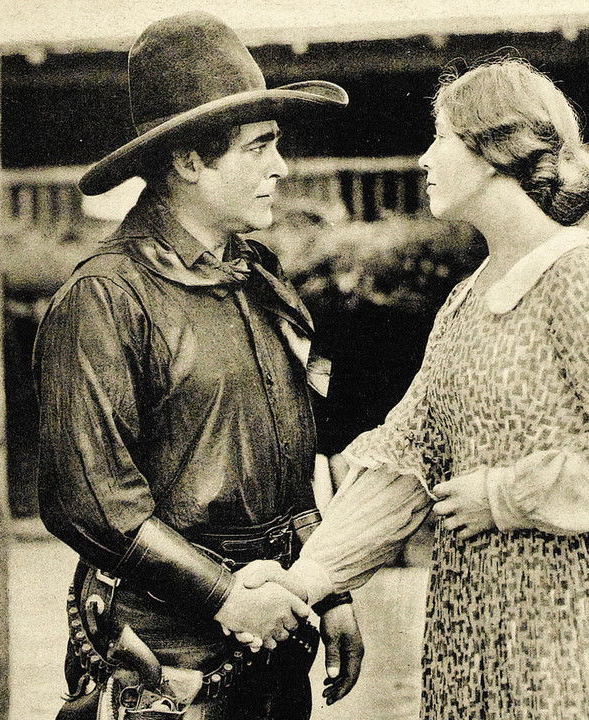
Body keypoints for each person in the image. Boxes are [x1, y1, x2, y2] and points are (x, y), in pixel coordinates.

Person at [256, 58, 589, 718]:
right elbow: (406, 464)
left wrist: (506, 494)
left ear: (493, 151)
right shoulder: (465, 302)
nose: (424, 159)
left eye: (440, 139)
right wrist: (308, 579)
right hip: (472, 625)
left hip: (572, 632)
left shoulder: (583, 284)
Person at [33, 12, 360, 719]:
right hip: (161, 663)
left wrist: (327, 586)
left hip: (273, 639)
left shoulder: (260, 281)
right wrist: (229, 596)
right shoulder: (104, 297)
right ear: (187, 161)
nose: (280, 167)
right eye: (259, 147)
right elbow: (87, 500)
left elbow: (289, 462)